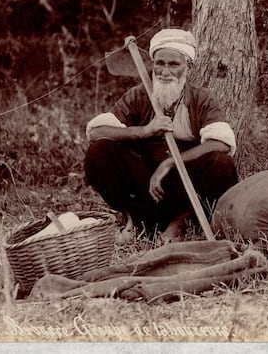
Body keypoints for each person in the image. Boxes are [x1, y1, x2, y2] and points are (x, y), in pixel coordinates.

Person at [84, 28, 238, 243]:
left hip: (184, 187)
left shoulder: (202, 99)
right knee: (99, 151)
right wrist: (143, 131)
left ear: (188, 67)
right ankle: (134, 221)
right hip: (145, 187)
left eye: (174, 64)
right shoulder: (139, 95)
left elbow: (221, 143)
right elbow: (97, 132)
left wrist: (169, 163)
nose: (165, 72)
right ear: (153, 65)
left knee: (222, 164)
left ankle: (179, 223)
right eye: (160, 63)